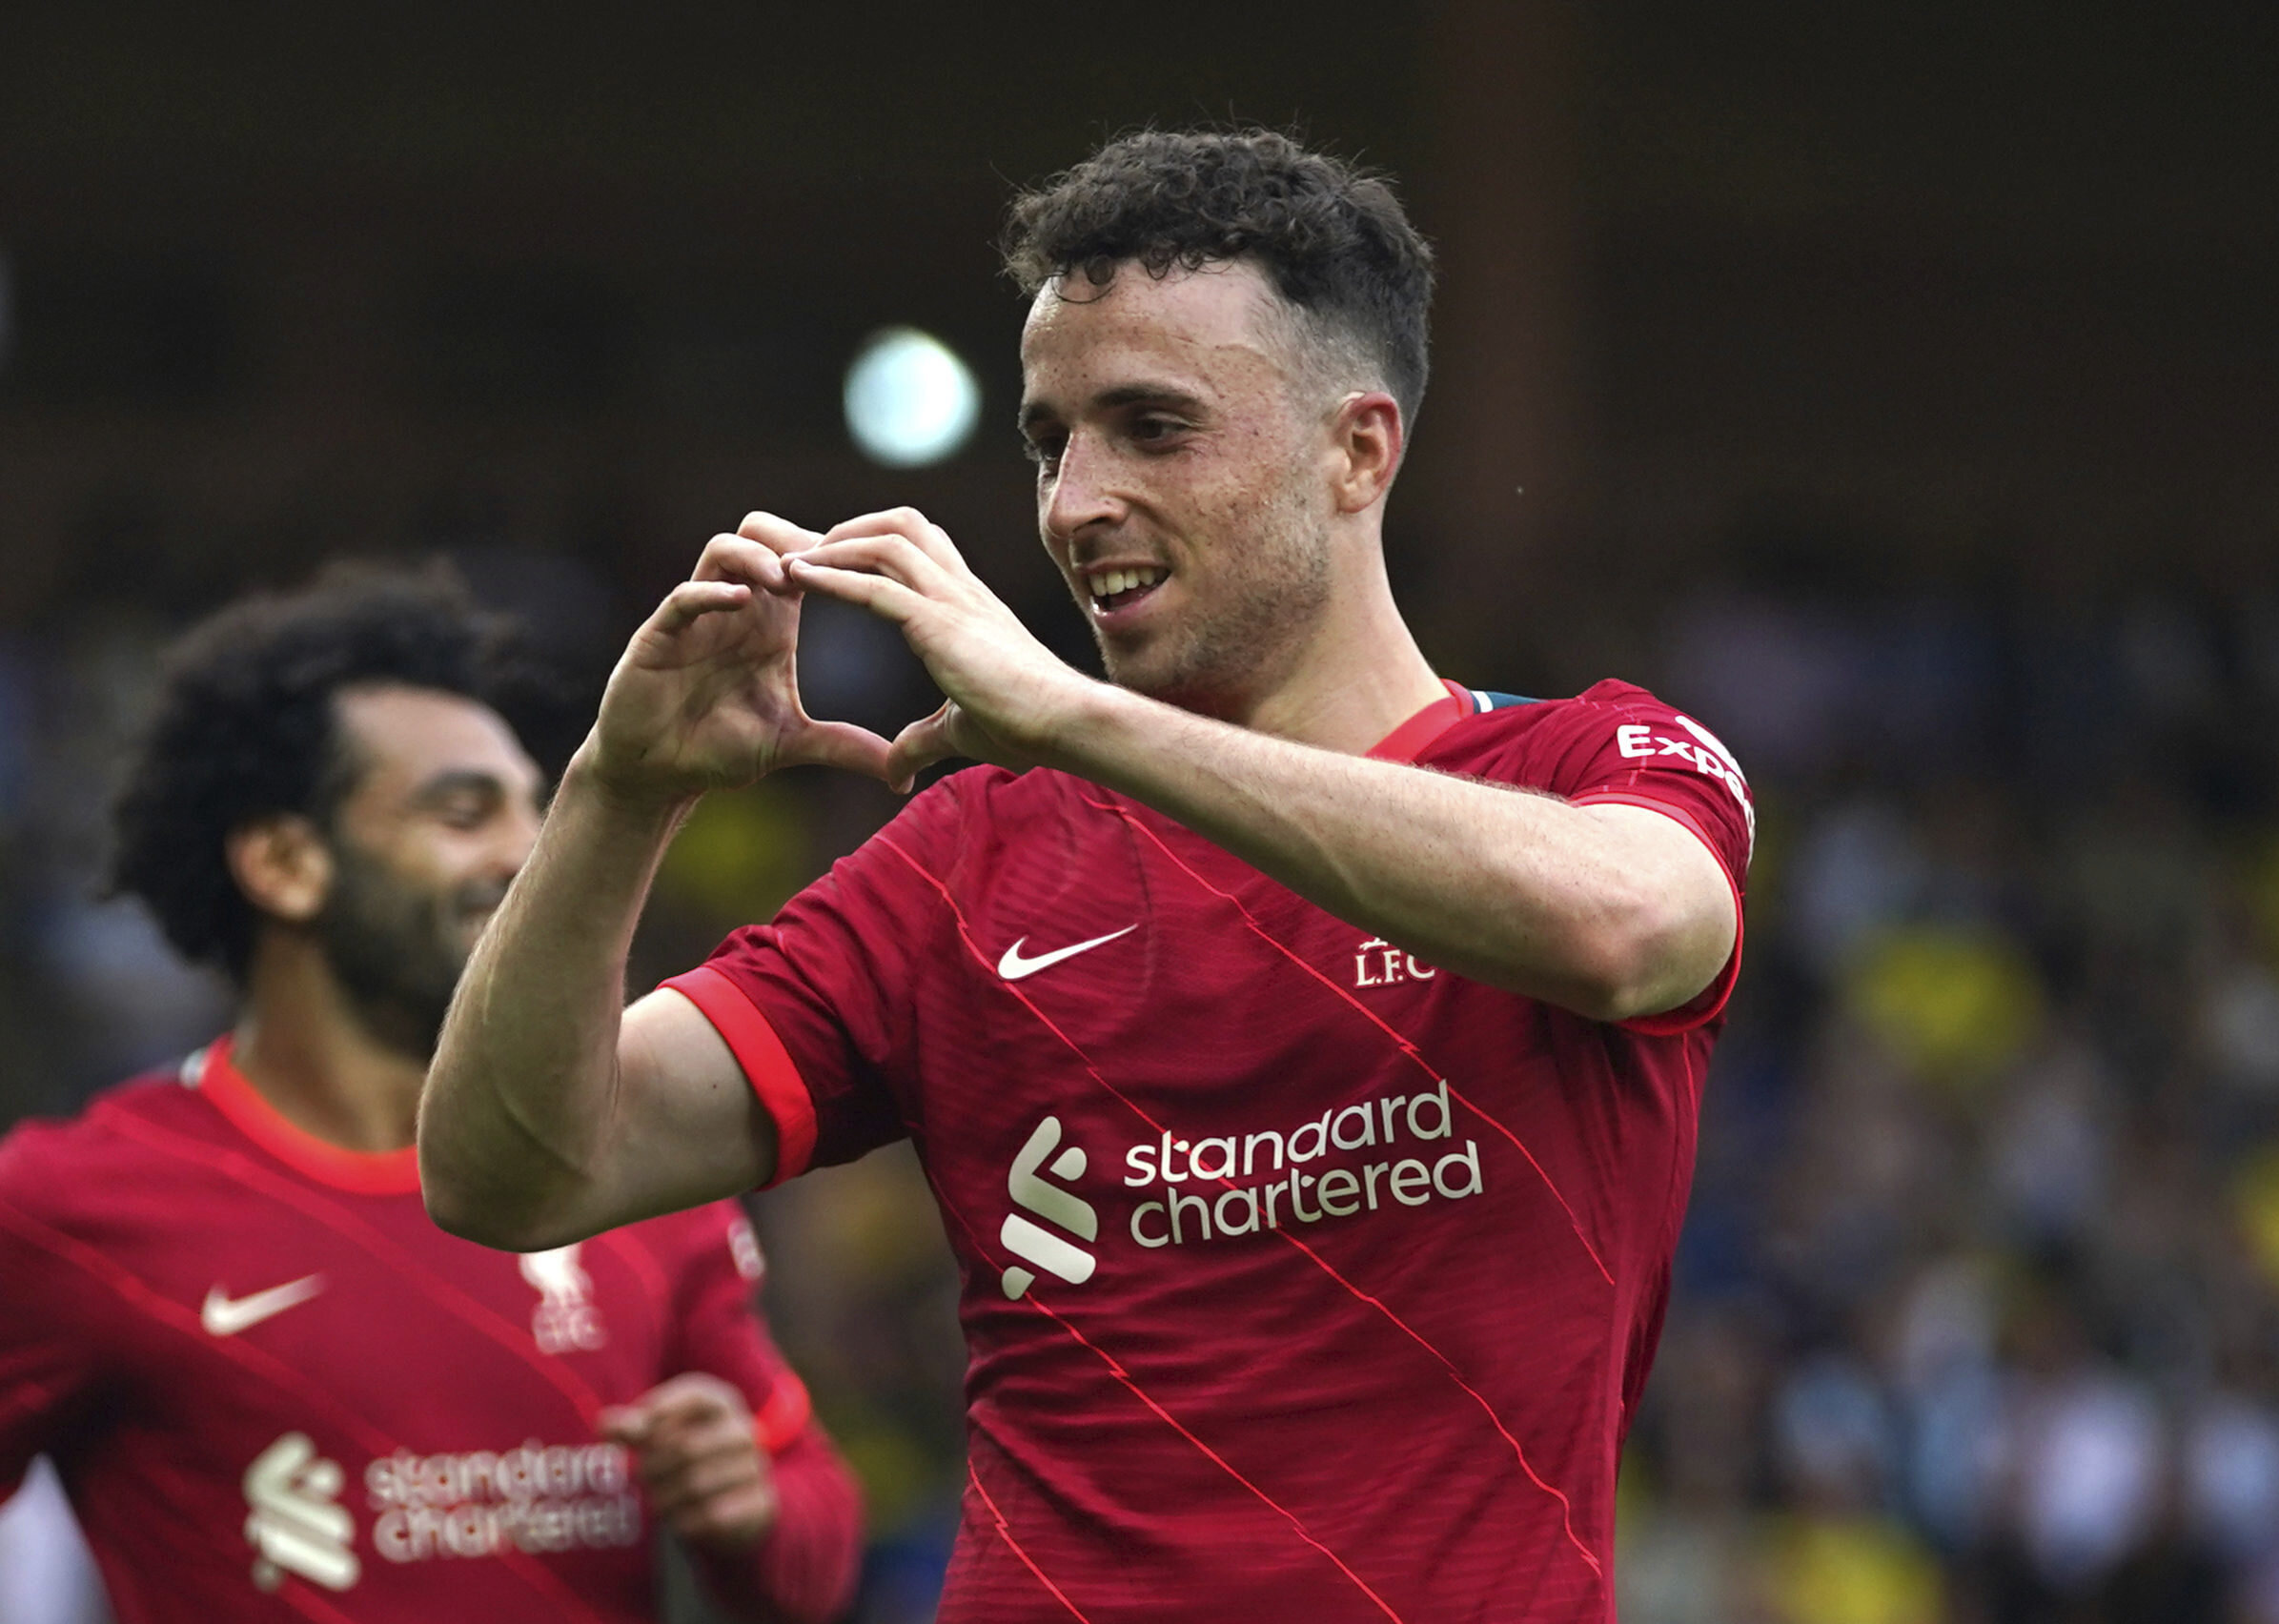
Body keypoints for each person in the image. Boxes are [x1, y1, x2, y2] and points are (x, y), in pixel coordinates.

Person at [421, 129, 1750, 1620]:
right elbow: (513, 1168)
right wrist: (617, 792)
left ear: (1356, 450)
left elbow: (1633, 926)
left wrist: (1068, 716)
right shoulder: (966, 862)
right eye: (1053, 439)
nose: (1072, 503)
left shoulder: (1587, 767)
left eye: (1152, 428)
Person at [0, 567, 864, 1621]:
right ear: (283, 862)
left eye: (534, 813)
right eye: (463, 814)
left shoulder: (631, 1165)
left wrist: (751, 1506)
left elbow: (815, 1559)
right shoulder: (72, 1208)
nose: (524, 853)